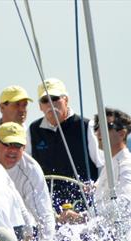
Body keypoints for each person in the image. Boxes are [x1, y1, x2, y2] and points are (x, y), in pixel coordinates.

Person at [58, 108, 131, 227]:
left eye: (106, 127)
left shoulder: (127, 165)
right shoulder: (112, 163)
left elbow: (124, 205)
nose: (99, 131)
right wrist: (95, 188)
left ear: (122, 133)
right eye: (97, 127)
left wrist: (82, 217)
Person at [27, 78, 103, 211]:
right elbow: (28, 171)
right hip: (47, 209)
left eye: (55, 98)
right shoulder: (33, 130)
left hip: (84, 206)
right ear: (40, 106)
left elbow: (103, 166)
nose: (51, 104)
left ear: (66, 100)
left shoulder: (86, 126)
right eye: (45, 100)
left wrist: (95, 187)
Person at [0, 122, 55, 241]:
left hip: (20, 230)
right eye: (8, 144)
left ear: (24, 148)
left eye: (18, 146)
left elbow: (45, 217)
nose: (13, 150)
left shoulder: (31, 171)